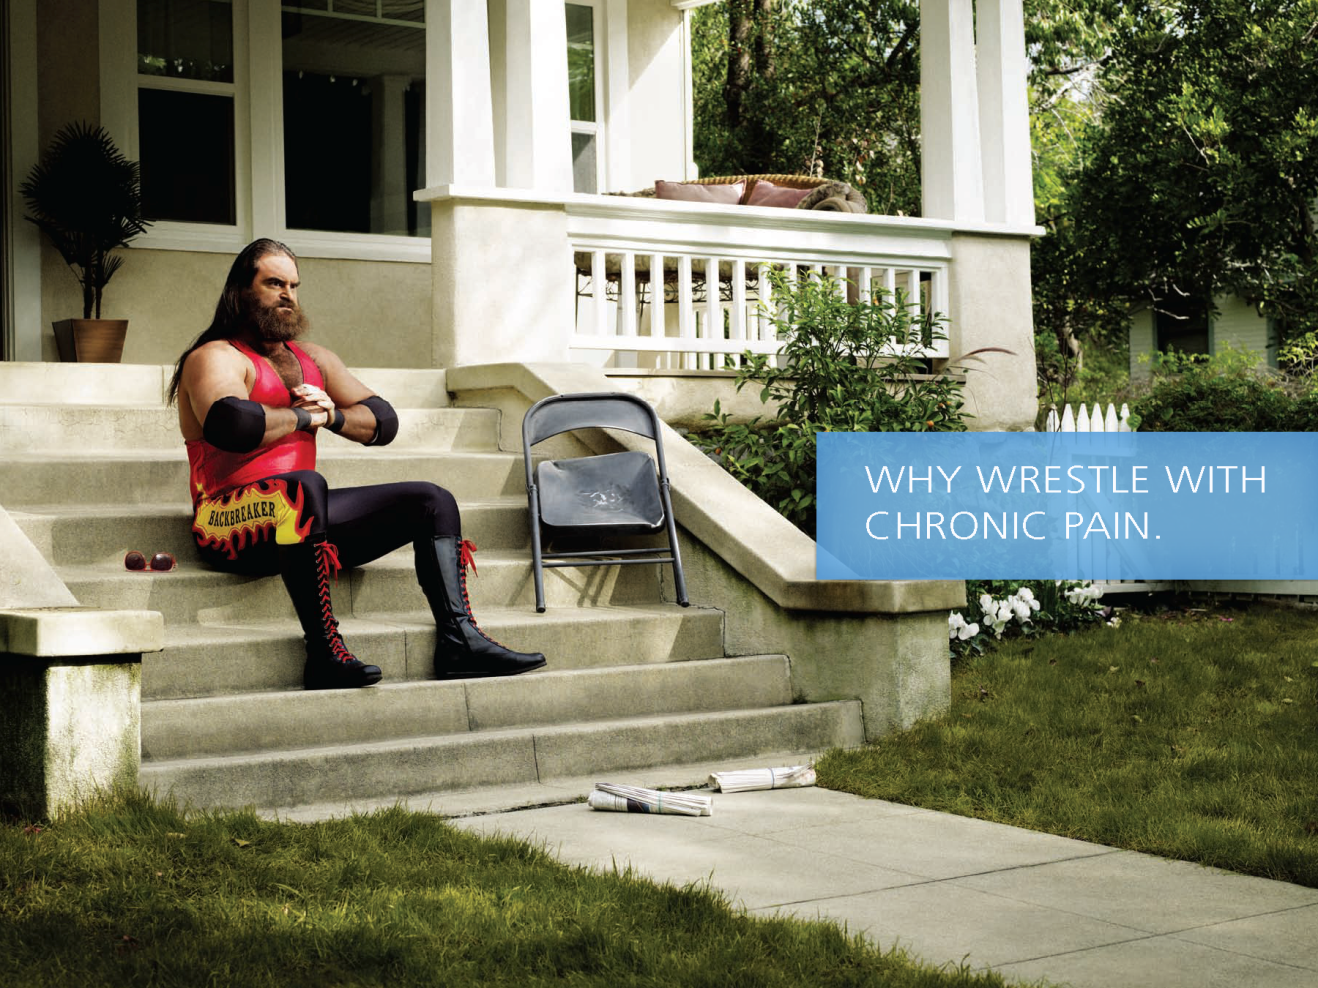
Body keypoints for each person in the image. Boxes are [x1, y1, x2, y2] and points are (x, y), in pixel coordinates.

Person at [169, 238, 546, 690]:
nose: (288, 295)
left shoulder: (312, 358)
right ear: (240, 290)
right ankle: (324, 653)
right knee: (305, 486)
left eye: (293, 285)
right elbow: (232, 422)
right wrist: (306, 416)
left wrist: (335, 416)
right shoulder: (215, 356)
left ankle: (459, 641)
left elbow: (383, 420)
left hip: (299, 521)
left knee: (431, 500)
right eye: (274, 283)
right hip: (225, 522)